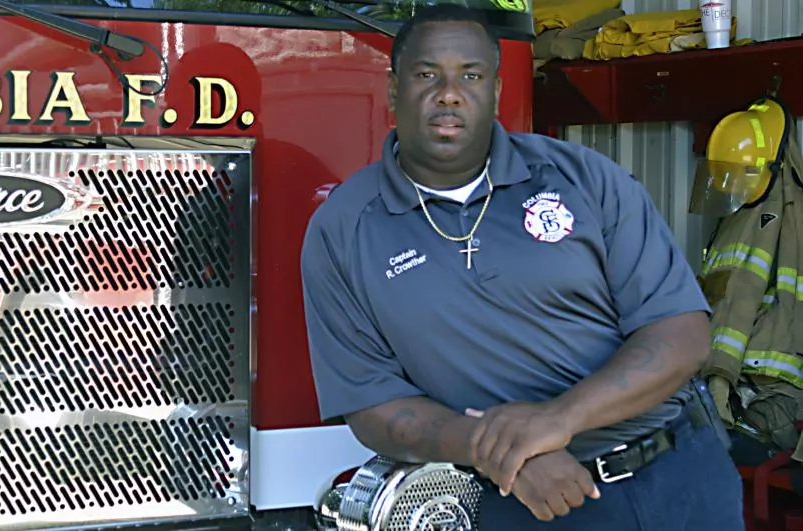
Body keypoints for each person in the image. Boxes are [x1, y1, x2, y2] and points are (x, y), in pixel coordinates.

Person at [299, 4, 744, 529]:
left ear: (496, 90)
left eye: (470, 76)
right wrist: (497, 451)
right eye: (426, 75)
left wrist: (557, 420)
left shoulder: (583, 178)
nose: (449, 94)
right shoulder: (344, 229)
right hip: (528, 501)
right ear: (394, 90)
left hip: (682, 476)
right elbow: (373, 405)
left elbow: (681, 333)